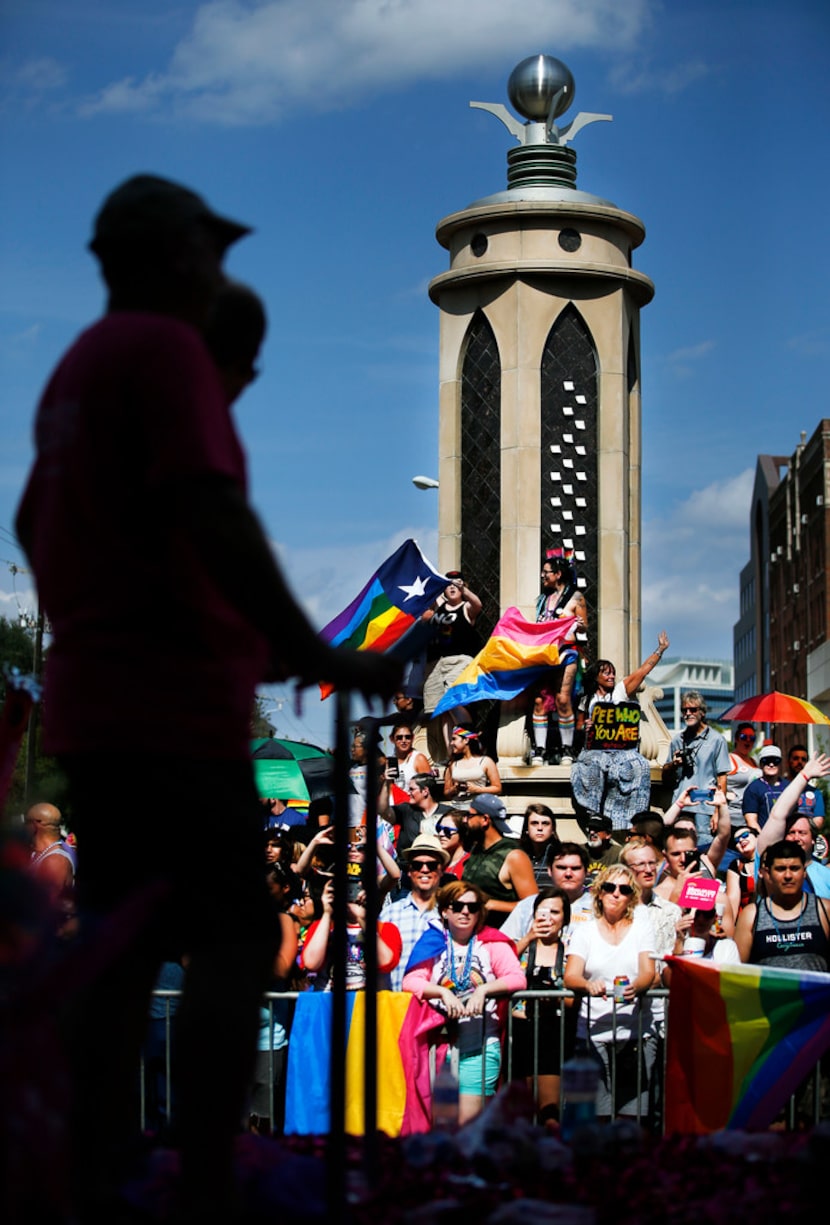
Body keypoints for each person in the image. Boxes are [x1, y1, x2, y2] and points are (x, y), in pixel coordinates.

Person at [13, 173, 400, 1222]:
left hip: (102, 704)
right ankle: (207, 1173)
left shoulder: (76, 370)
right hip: (169, 712)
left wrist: (132, 614)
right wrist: (315, 651)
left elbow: (32, 522)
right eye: (209, 251)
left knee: (125, 941)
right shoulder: (162, 349)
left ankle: (97, 1168)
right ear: (169, 255)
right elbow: (212, 512)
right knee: (235, 933)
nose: (220, 272)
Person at [402, 880, 525, 1124]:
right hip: (439, 1048)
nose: (465, 912)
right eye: (457, 906)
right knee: (442, 1125)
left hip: (480, 1045)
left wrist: (484, 991)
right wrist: (442, 993)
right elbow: (411, 981)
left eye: (472, 906)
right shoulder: (433, 942)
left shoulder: (491, 944)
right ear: (445, 910)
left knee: (467, 1125)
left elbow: (517, 978)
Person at [564, 865, 657, 1120]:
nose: (616, 894)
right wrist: (587, 985)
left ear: (632, 896)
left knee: (632, 1119)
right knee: (598, 1117)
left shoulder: (641, 928)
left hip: (635, 1033)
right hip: (593, 1033)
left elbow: (648, 971)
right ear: (599, 892)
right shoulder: (585, 931)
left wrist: (637, 987)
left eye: (624, 889)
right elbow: (571, 975)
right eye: (609, 887)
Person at [509, 887, 577, 1122]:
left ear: (565, 918)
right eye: (542, 911)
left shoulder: (571, 951)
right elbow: (500, 968)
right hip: (519, 1034)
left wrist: (553, 997)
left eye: (555, 912)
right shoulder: (520, 946)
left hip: (553, 1033)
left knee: (550, 1113)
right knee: (522, 1115)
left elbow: (572, 998)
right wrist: (528, 937)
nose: (548, 918)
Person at [735, 840, 830, 970]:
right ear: (768, 873)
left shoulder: (824, 910)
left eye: (794, 868)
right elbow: (738, 974)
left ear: (804, 872)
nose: (788, 876)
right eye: (780, 869)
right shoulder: (751, 915)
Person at [533, 551, 589, 765]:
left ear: (558, 574)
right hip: (543, 654)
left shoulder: (575, 597)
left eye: (546, 572)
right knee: (539, 701)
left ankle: (567, 748)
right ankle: (540, 748)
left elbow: (584, 626)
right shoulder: (541, 600)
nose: (542, 576)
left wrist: (572, 623)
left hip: (566, 652)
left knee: (563, 699)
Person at [422, 570, 482, 760]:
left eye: (456, 584)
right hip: (439, 663)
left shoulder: (465, 607)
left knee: (454, 701)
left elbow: (478, 605)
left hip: (460, 661)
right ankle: (450, 755)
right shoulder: (440, 606)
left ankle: (470, 741)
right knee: (443, 709)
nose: (452, 587)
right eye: (448, 585)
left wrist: (463, 589)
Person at [755, 752, 830, 896]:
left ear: (813, 839)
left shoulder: (826, 876)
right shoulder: (769, 864)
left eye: (802, 833)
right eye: (791, 832)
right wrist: (804, 775)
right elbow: (777, 815)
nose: (796, 838)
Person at [380, 834, 447, 989]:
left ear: (441, 870)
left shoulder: (452, 912)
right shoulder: (390, 914)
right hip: (397, 1004)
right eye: (417, 865)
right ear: (409, 871)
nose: (424, 870)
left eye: (431, 865)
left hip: (438, 1005)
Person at [661, 691, 730, 841]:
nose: (688, 713)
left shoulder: (716, 740)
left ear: (702, 713)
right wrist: (673, 764)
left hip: (705, 807)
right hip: (681, 805)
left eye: (693, 710)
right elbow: (666, 777)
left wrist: (718, 812)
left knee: (703, 848)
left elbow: (722, 779)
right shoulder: (677, 740)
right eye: (684, 710)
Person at [460, 794, 536, 926]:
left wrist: (492, 905)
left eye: (470, 815)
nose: (465, 820)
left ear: (485, 819)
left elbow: (533, 905)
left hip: (501, 936)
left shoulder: (514, 856)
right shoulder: (476, 849)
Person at [502, 842, 594, 948]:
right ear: (550, 870)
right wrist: (528, 937)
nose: (568, 874)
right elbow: (502, 949)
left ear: (586, 871)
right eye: (561, 867)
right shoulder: (527, 906)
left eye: (575, 868)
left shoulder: (598, 907)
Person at [25, 802, 76, 905]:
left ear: (35, 825)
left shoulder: (55, 860)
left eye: (26, 823)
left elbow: (45, 907)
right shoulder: (37, 853)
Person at [392, 772, 452, 858]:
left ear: (425, 791)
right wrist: (385, 783)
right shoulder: (405, 810)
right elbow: (383, 810)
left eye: (412, 789)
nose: (409, 793)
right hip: (406, 865)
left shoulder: (447, 813)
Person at [443, 727, 502, 803]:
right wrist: (455, 789)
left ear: (466, 740)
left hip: (478, 807)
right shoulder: (453, 763)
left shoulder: (486, 761)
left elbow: (498, 788)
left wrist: (476, 789)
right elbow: (446, 793)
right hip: (457, 808)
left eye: (454, 739)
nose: (451, 743)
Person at [742, 744, 788, 832]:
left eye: (776, 761)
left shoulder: (789, 786)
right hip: (765, 839)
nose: (771, 764)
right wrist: (762, 840)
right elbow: (751, 821)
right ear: (760, 764)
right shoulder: (753, 788)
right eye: (766, 761)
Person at [725, 723, 760, 829]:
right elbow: (717, 782)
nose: (747, 741)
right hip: (733, 817)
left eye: (752, 738)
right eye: (744, 737)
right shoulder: (729, 759)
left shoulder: (754, 761)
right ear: (736, 739)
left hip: (752, 816)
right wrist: (726, 795)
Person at [518, 803, 560, 886]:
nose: (540, 828)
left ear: (553, 829)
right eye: (534, 823)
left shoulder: (561, 857)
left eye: (545, 823)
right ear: (526, 828)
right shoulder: (517, 856)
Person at [786, 744, 825, 827]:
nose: (800, 762)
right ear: (788, 762)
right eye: (795, 758)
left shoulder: (815, 793)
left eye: (803, 759)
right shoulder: (779, 787)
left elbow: (818, 823)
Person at [725, 826, 759, 919]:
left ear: (757, 837)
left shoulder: (770, 860)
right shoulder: (736, 865)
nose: (740, 840)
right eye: (736, 840)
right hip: (745, 919)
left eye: (745, 835)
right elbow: (732, 903)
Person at [386, 722, 431, 790]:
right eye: (399, 737)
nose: (404, 740)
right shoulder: (389, 761)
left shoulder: (419, 759)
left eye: (407, 737)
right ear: (392, 739)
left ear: (412, 738)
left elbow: (428, 788)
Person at [435, 812, 469, 880]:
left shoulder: (469, 863)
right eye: (439, 828)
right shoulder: (436, 861)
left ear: (462, 833)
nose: (441, 834)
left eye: (447, 830)